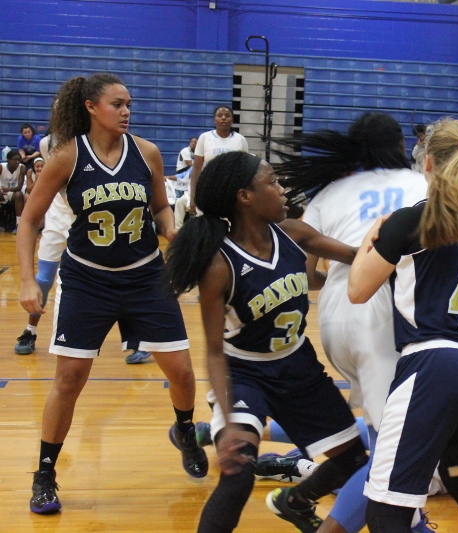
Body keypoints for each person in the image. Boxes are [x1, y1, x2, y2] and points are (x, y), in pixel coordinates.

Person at [16, 73, 207, 515]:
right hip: (88, 279)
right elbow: (27, 221)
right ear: (90, 107)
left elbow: (160, 206)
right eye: (117, 104)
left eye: (128, 105)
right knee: (68, 380)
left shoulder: (147, 152)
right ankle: (44, 473)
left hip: (145, 276)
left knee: (181, 372)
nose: (125, 111)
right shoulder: (67, 157)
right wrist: (28, 280)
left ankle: (184, 430)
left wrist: (172, 230)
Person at [164, 151, 369, 533]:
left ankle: (295, 501)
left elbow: (359, 257)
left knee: (354, 459)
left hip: (298, 366)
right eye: (273, 181)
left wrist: (400, 235)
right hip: (244, 372)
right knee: (238, 474)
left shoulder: (294, 233)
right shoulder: (219, 264)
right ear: (245, 197)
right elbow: (213, 351)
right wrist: (227, 420)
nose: (282, 189)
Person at [348, 118, 458, 533]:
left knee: (385, 510)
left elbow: (357, 290)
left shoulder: (410, 221)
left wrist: (371, 236)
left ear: (428, 162)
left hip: (434, 367)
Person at [270, 112, 429, 533]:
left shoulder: (331, 191)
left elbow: (304, 273)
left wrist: (338, 277)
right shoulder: (421, 185)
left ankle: (409, 522)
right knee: (394, 453)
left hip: (334, 318)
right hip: (383, 319)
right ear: (401, 145)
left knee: (384, 440)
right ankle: (307, 506)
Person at [259, 352, 458, 520]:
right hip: (407, 444)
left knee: (358, 474)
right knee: (347, 429)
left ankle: (298, 467)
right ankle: (253, 430)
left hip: (417, 478)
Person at [14, 131, 151, 365]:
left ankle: (137, 338)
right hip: (58, 215)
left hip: (90, 217)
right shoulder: (48, 143)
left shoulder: (99, 139)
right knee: (44, 279)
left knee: (116, 270)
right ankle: (31, 330)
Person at [187, 105, 248, 216]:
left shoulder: (240, 140)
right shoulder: (205, 137)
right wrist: (193, 197)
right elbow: (196, 170)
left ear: (232, 120)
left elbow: (245, 170)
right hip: (208, 190)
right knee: (208, 224)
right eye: (220, 115)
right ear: (214, 120)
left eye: (227, 116)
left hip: (231, 192)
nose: (223, 118)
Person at [1, 151, 25, 231]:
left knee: (19, 195)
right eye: (15, 160)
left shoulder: (22, 167)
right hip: (2, 192)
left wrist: (8, 189)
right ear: (8, 160)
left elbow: (19, 187)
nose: (17, 162)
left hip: (14, 192)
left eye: (19, 160)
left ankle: (18, 223)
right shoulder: (1, 167)